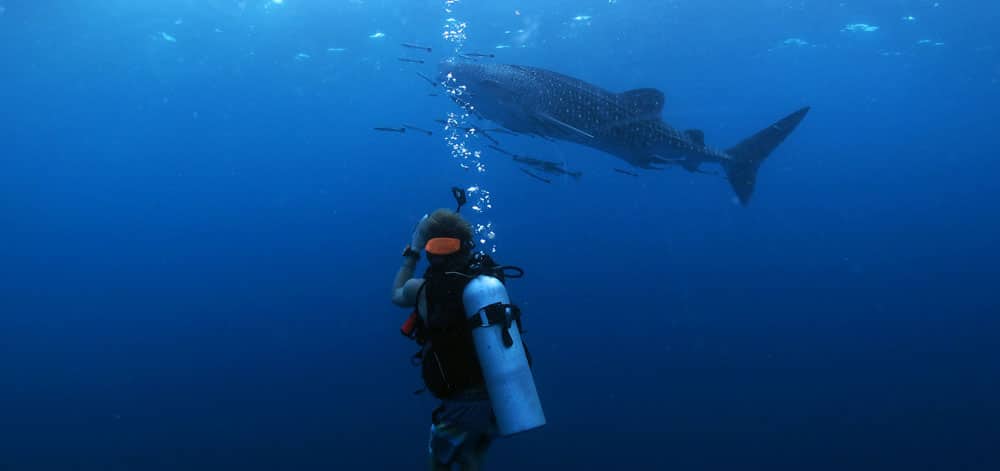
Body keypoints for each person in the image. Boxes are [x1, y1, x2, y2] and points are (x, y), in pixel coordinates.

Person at [391, 208, 499, 470]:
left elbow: (396, 295)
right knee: (472, 457)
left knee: (441, 463)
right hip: (497, 395)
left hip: (461, 403)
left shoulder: (422, 288)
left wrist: (413, 253)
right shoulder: (485, 282)